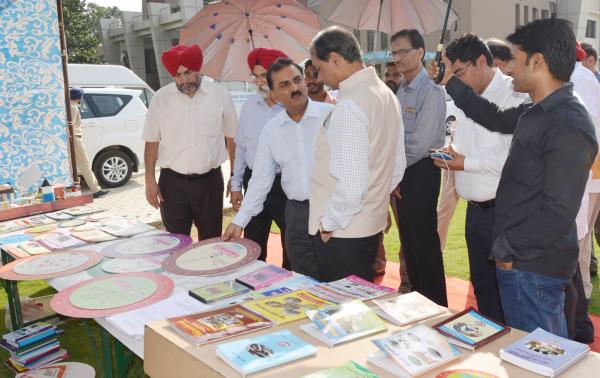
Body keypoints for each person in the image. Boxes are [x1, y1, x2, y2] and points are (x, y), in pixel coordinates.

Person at [444, 18, 597, 337]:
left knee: (536, 356)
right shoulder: (538, 109)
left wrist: (507, 250)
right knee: (520, 352)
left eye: (515, 58)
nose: (508, 68)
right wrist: (453, 82)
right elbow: (493, 118)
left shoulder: (568, 121)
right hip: (523, 258)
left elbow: (558, 212)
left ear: (538, 61)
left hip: (534, 265)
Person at [431, 34, 527, 323]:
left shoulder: (514, 95)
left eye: (459, 72)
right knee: (484, 293)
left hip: (505, 212)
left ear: (482, 61)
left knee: (511, 296)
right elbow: (468, 144)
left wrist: (464, 162)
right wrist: (453, 154)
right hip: (474, 212)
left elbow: (512, 160)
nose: (457, 81)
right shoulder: (465, 98)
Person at [308, 26, 405, 282]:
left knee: (343, 314)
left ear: (335, 59)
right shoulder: (385, 94)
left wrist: (329, 223)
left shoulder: (350, 106)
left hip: (343, 233)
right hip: (368, 226)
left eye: (318, 67)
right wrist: (377, 202)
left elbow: (351, 187)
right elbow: (397, 165)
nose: (318, 76)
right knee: (358, 311)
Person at [223, 58, 333, 280]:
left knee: (337, 279)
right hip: (296, 214)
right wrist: (239, 221)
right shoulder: (271, 131)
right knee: (303, 279)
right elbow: (261, 179)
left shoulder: (331, 115)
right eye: (284, 85)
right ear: (273, 93)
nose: (294, 88)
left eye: (297, 80)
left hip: (332, 212)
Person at [143, 44, 237, 240]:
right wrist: (149, 180)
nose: (184, 80)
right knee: (175, 244)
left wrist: (235, 178)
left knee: (211, 242)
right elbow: (151, 141)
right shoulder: (161, 98)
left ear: (198, 68)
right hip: (172, 185)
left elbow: (232, 138)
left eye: (188, 73)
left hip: (210, 183)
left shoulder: (220, 95)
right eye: (177, 75)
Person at [392, 29, 448, 306]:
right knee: (409, 243)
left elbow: (419, 142)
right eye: (394, 52)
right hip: (403, 171)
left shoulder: (431, 91)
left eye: (403, 51)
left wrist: (396, 173)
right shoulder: (402, 88)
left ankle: (435, 304)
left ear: (419, 53)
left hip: (420, 170)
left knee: (423, 243)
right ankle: (417, 301)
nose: (398, 57)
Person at [230, 48, 289, 266]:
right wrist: (236, 184)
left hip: (285, 184)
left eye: (264, 75)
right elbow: (242, 148)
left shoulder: (292, 108)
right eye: (256, 76)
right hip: (254, 181)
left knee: (291, 244)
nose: (259, 82)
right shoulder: (249, 106)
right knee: (253, 245)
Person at [571, 42, 600, 304]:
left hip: (590, 169)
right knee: (583, 236)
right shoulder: (584, 76)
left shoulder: (578, 78)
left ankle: (581, 296)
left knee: (580, 237)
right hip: (590, 170)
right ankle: (583, 293)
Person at [69, 87, 108, 199]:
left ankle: (79, 189)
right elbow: (69, 125)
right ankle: (95, 190)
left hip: (73, 139)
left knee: (76, 166)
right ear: (78, 97)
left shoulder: (71, 106)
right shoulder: (73, 107)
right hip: (75, 139)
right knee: (85, 165)